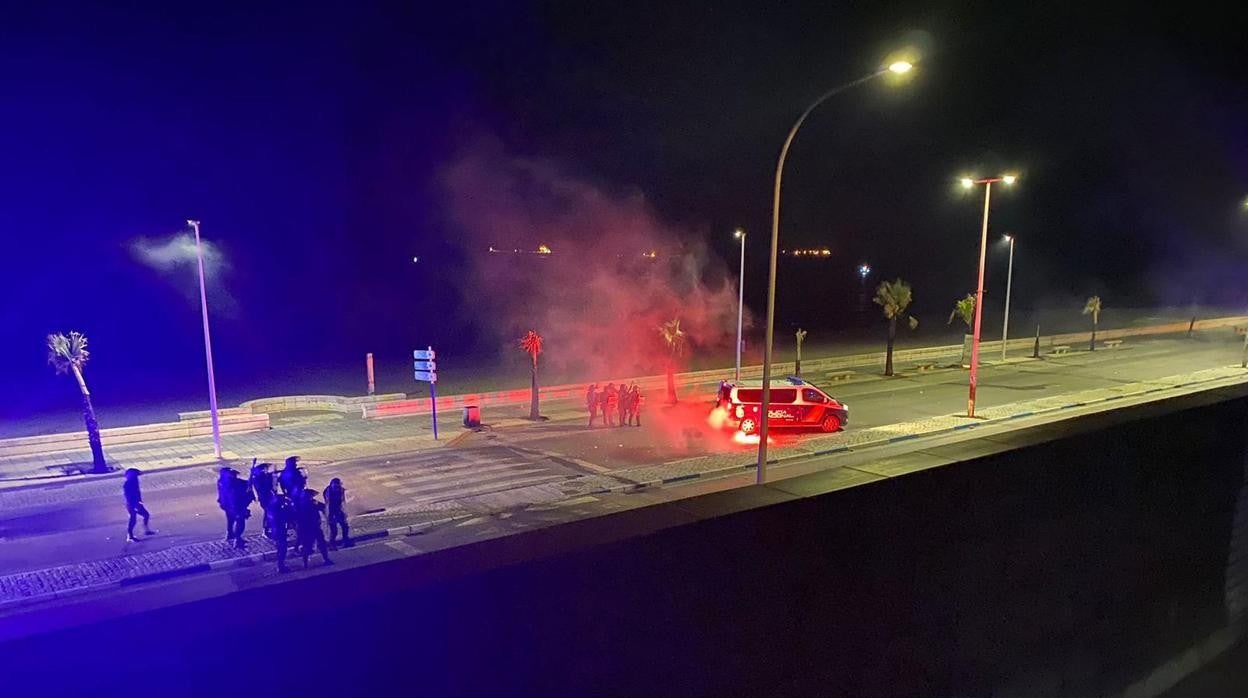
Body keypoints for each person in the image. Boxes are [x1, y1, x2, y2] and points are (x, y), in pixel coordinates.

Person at [295, 488, 332, 568]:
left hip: (304, 528)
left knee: (306, 545)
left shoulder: (298, 504)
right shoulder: (312, 503)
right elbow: (323, 507)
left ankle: (305, 563)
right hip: (313, 527)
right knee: (321, 543)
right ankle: (326, 559)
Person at [123, 468, 155, 542]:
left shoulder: (134, 482)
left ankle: (146, 530)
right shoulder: (128, 484)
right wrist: (135, 505)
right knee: (133, 519)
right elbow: (129, 496)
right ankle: (130, 536)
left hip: (136, 503)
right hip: (132, 504)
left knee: (146, 515)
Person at [217, 467, 248, 544]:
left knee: (230, 520)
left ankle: (229, 534)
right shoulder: (234, 484)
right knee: (240, 522)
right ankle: (237, 539)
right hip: (236, 506)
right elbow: (242, 488)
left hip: (226, 505)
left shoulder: (221, 482)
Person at [267, 493, 294, 573]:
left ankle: (281, 565)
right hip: (279, 531)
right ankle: (281, 566)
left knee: (281, 549)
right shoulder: (278, 510)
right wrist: (289, 505)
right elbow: (286, 516)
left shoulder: (272, 508)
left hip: (277, 530)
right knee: (282, 549)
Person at [323, 477, 351, 549]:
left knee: (345, 526)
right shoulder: (328, 491)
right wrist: (328, 515)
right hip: (332, 511)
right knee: (334, 530)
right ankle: (332, 544)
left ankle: (345, 541)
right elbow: (327, 504)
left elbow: (343, 501)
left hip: (339, 510)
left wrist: (345, 512)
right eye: (336, 486)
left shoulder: (341, 490)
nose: (337, 488)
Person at [250, 460, 276, 535]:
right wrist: (270, 477)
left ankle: (270, 528)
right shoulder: (259, 478)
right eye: (265, 469)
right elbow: (265, 487)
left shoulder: (261, 477)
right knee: (268, 513)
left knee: (271, 513)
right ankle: (266, 529)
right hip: (265, 498)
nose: (267, 470)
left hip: (268, 497)